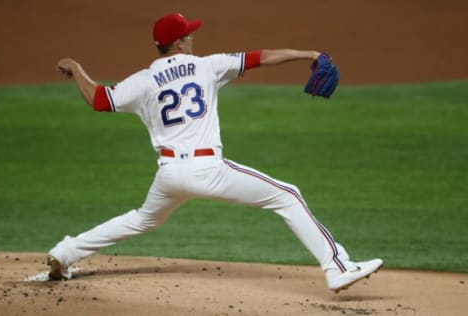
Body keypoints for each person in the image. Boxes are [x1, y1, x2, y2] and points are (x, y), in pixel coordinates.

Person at [49, 12, 382, 292]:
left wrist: (76, 67)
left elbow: (98, 99)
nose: (192, 38)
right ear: (178, 43)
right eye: (188, 35)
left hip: (169, 174)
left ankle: (65, 253)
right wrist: (308, 54)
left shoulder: (143, 80)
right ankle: (337, 267)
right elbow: (262, 57)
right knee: (287, 196)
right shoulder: (206, 66)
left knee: (142, 220)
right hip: (207, 169)